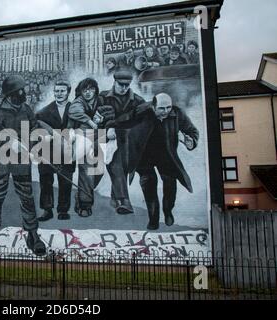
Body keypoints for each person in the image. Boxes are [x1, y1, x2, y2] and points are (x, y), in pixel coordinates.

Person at [0, 75, 47, 256]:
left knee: (27, 198)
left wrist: (37, 139)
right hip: (0, 164)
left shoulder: (25, 109)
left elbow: (33, 127)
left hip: (21, 163)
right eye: (20, 90)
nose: (24, 92)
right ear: (11, 94)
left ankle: (33, 235)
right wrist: (10, 141)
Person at [128, 93, 199, 230]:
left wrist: (190, 141)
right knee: (149, 186)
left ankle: (168, 211)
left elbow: (192, 130)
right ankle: (153, 219)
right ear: (153, 107)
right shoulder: (141, 112)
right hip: (144, 157)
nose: (166, 111)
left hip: (166, 155)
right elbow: (124, 123)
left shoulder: (177, 113)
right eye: (162, 108)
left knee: (170, 185)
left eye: (168, 107)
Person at [67, 78, 115, 218]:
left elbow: (111, 111)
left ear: (95, 90)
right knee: (87, 170)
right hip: (83, 136)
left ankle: (83, 193)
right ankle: (85, 205)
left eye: (91, 89)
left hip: (99, 137)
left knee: (99, 171)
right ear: (81, 91)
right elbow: (74, 111)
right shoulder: (78, 102)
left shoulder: (100, 100)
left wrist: (104, 119)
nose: (88, 93)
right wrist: (90, 121)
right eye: (85, 90)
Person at [100, 71, 146, 215]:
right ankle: (124, 201)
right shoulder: (103, 97)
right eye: (121, 85)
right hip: (109, 139)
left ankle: (116, 198)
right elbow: (96, 117)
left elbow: (143, 119)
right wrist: (107, 128)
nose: (124, 88)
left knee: (122, 168)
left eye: (127, 85)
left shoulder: (137, 100)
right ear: (115, 82)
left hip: (129, 140)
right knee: (116, 167)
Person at [36, 81, 75, 221]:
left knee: (65, 181)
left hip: (67, 150)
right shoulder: (44, 112)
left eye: (62, 91)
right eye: (57, 91)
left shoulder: (75, 109)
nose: (59, 94)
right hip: (48, 150)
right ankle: (47, 210)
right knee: (46, 181)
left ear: (68, 92)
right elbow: (36, 127)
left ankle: (63, 210)